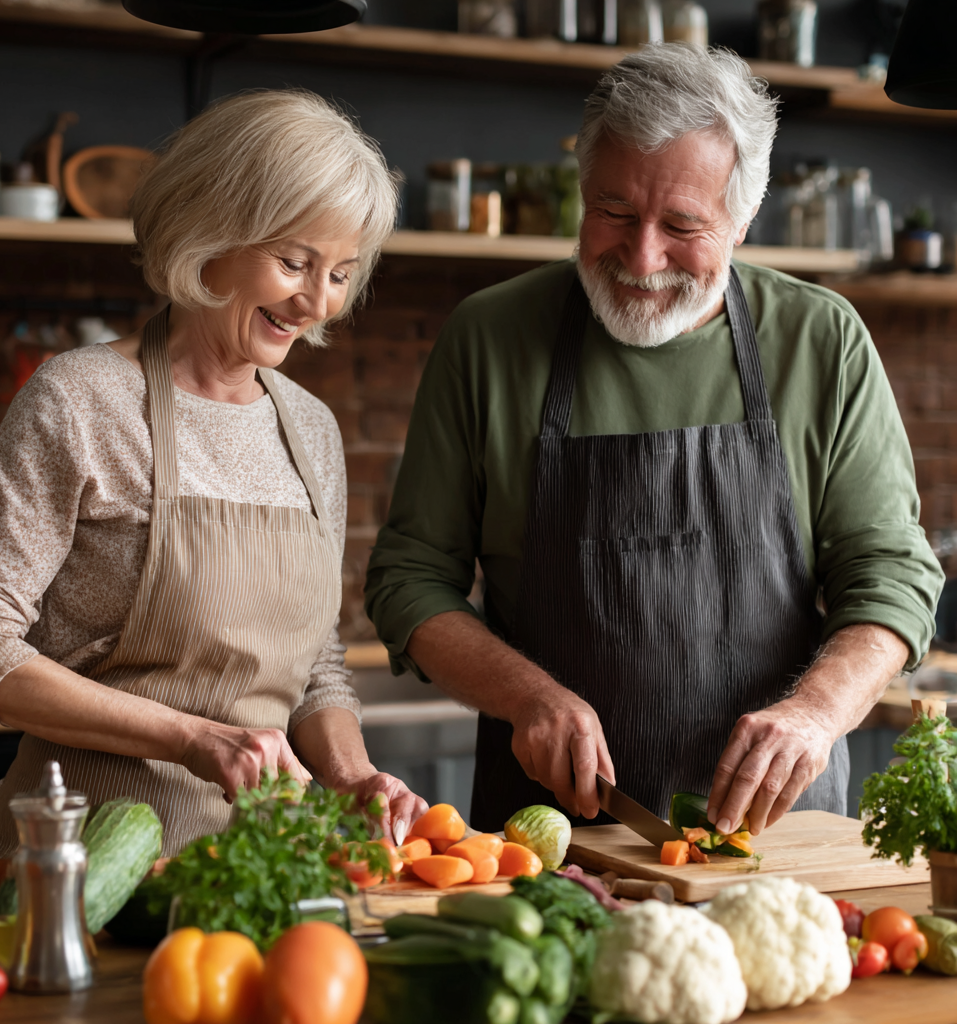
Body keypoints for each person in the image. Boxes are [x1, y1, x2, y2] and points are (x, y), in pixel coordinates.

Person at [365, 44, 943, 838]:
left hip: (777, 843)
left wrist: (813, 714)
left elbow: (893, 574)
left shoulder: (822, 341)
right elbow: (409, 579)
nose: (641, 258)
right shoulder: (489, 338)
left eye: (682, 225)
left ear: (742, 220)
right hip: (551, 843)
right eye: (613, 212)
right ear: (581, 190)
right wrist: (525, 694)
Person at [0, 89, 427, 863]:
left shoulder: (312, 431)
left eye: (341, 274)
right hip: (78, 870)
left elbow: (314, 665)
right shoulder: (83, 400)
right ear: (210, 235)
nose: (314, 300)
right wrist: (193, 738)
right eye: (294, 262)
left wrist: (355, 774)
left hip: (257, 872)